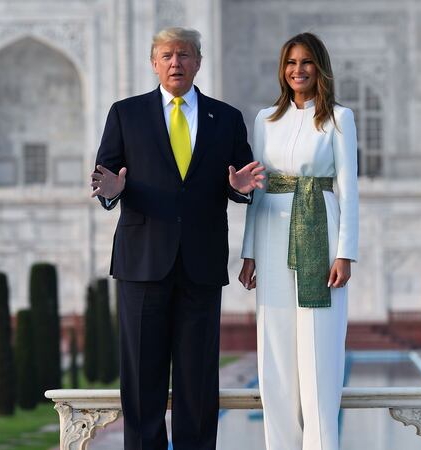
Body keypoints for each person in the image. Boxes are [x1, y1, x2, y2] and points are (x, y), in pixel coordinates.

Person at [91, 27, 265, 450]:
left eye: (184, 55)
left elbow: (241, 178)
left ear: (198, 62)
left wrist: (241, 188)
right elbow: (107, 176)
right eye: (167, 55)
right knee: (141, 379)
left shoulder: (225, 118)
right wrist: (111, 193)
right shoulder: (126, 114)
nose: (176, 63)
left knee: (198, 381)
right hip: (142, 261)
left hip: (200, 265)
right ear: (154, 63)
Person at [238, 32, 359, 450]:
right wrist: (249, 251)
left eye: (306, 62)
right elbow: (256, 189)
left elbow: (348, 188)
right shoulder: (265, 119)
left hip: (319, 230)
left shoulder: (339, 119)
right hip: (272, 228)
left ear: (319, 67)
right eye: (291, 62)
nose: (298, 70)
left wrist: (345, 252)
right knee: (275, 348)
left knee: (319, 348)